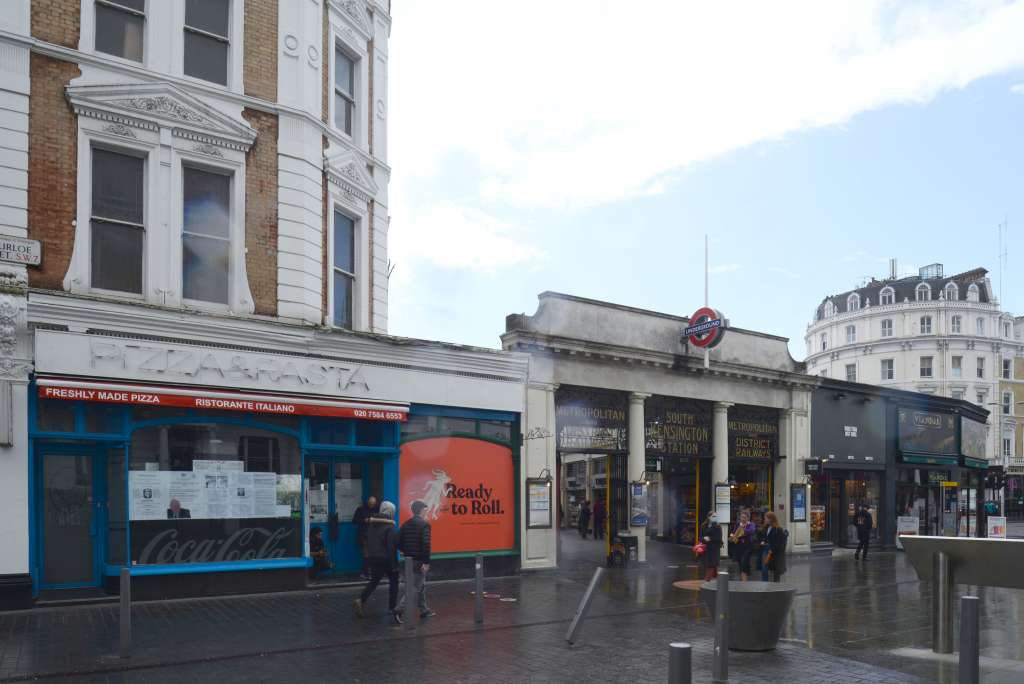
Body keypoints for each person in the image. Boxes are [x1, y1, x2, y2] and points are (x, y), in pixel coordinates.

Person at [354, 501, 402, 623]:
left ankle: (361, 599)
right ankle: (392, 607)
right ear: (391, 512)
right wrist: (394, 565)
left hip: (374, 557)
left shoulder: (372, 524)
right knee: (394, 582)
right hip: (386, 558)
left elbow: (369, 541)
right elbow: (391, 547)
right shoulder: (390, 527)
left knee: (374, 581)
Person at [397, 500, 435, 619]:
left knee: (420, 585)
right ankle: (399, 609)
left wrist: (405, 550)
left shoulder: (406, 524)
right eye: (425, 510)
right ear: (421, 510)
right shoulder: (424, 525)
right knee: (414, 587)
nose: (426, 512)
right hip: (419, 560)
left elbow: (398, 542)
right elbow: (426, 544)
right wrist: (426, 562)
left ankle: (424, 610)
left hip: (408, 560)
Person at [352, 496, 379, 578]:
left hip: (375, 535)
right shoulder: (361, 509)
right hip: (364, 535)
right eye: (370, 503)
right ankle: (366, 572)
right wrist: (364, 520)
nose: (372, 505)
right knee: (367, 554)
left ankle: (369, 572)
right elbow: (354, 520)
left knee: (373, 554)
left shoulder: (377, 509)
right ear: (368, 502)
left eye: (373, 504)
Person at [729, 510, 756, 581]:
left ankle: (744, 581)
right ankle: (743, 579)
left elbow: (751, 531)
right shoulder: (738, 524)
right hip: (739, 546)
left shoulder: (751, 524)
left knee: (744, 562)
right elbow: (733, 532)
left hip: (748, 546)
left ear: (748, 518)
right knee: (740, 563)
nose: (743, 519)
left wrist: (743, 529)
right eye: (741, 517)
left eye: (744, 517)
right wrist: (732, 535)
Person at [764, 511, 788, 582]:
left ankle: (776, 588)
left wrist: (773, 549)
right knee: (771, 570)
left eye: (766, 518)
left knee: (776, 572)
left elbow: (781, 543)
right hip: (770, 552)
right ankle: (773, 586)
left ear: (770, 519)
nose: (765, 520)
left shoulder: (778, 529)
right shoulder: (768, 528)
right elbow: (768, 538)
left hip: (776, 554)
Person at [700, 511, 723, 580]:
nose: (715, 518)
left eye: (715, 516)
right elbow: (700, 537)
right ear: (708, 517)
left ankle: (707, 580)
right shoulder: (703, 525)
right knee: (709, 565)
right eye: (713, 516)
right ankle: (714, 579)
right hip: (706, 548)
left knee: (711, 565)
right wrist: (704, 539)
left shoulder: (717, 526)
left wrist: (709, 539)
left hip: (714, 548)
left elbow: (719, 538)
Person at [755, 511, 771, 581]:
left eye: (765, 518)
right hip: (764, 548)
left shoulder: (774, 528)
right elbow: (763, 536)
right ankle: (764, 581)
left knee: (765, 565)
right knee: (764, 565)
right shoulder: (765, 527)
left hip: (769, 548)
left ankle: (765, 581)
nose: (764, 520)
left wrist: (766, 543)